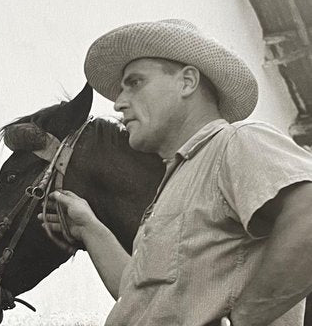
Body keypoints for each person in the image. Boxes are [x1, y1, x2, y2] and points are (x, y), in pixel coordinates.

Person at [40, 19, 312, 325]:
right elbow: (141, 299)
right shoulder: (173, 186)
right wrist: (90, 228)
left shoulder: (235, 142)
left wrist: (247, 317)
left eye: (135, 82)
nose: (118, 103)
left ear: (187, 82)